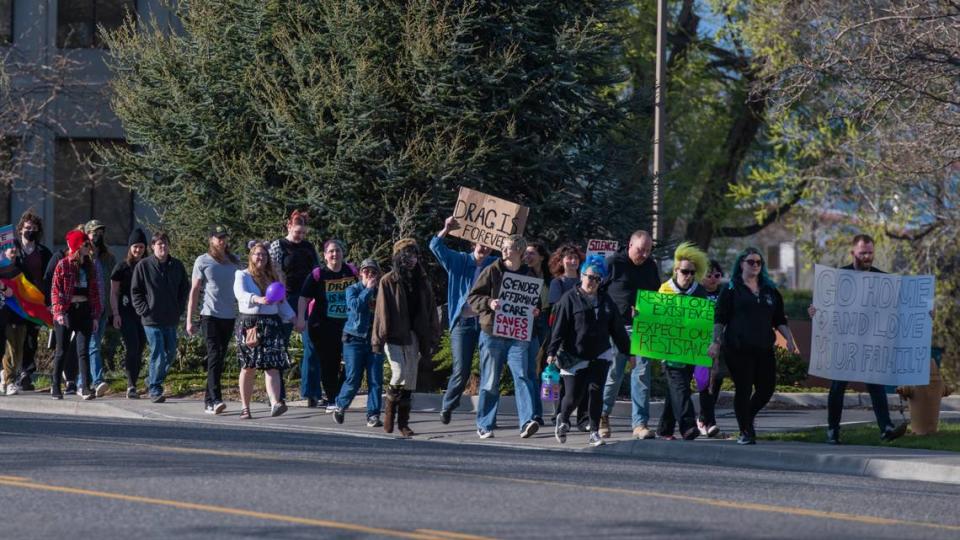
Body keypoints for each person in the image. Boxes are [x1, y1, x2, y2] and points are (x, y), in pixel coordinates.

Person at [808, 234, 908, 444]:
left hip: (870, 342)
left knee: (875, 384)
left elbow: (899, 309)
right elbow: (823, 305)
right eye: (863, 252)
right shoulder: (838, 276)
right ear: (853, 252)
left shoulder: (883, 279)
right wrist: (814, 311)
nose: (867, 256)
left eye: (870, 252)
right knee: (838, 386)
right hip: (844, 341)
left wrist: (924, 313)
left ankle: (886, 428)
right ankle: (833, 431)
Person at [708, 247, 799, 445]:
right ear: (741, 264)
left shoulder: (770, 290)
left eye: (759, 262)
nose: (755, 265)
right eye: (751, 262)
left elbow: (779, 318)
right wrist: (716, 341)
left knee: (767, 389)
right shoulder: (731, 288)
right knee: (743, 388)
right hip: (738, 348)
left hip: (764, 347)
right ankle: (746, 431)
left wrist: (789, 339)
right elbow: (720, 318)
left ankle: (746, 417)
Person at [546, 255, 630, 447]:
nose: (593, 282)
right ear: (582, 275)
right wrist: (551, 352)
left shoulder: (606, 300)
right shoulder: (568, 299)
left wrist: (628, 352)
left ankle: (594, 431)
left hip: (600, 352)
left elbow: (616, 328)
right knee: (573, 396)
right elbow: (558, 328)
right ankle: (563, 417)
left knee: (596, 391)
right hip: (573, 354)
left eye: (598, 278)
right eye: (590, 277)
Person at [467, 234, 541, 440]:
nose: (505, 251)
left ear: (519, 250)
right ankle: (484, 424)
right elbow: (473, 297)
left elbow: (536, 303)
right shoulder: (492, 270)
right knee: (490, 380)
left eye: (509, 248)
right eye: (504, 247)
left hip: (518, 333)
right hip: (492, 333)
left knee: (522, 376)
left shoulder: (530, 275)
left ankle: (527, 421)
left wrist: (536, 311)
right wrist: (489, 303)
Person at [431, 216, 496, 425]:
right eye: (481, 244)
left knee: (490, 370)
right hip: (463, 323)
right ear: (473, 243)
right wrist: (446, 228)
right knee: (461, 370)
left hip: (486, 322)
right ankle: (448, 405)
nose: (484, 248)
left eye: (488, 245)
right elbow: (435, 246)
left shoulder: (494, 264)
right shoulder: (459, 260)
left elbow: (514, 262)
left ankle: (487, 418)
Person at [372, 239, 440, 437]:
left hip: (414, 335)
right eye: (407, 255)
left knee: (410, 379)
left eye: (414, 255)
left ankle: (403, 423)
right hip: (394, 334)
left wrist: (433, 336)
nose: (411, 259)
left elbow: (430, 312)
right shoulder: (388, 280)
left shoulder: (422, 281)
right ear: (398, 257)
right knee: (399, 372)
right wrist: (378, 340)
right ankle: (389, 412)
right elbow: (381, 312)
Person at [600, 230, 661, 439]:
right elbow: (597, 292)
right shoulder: (613, 264)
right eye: (640, 250)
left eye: (647, 250)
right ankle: (602, 415)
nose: (643, 254)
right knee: (613, 373)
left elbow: (656, 295)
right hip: (616, 328)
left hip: (642, 328)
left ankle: (640, 424)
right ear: (629, 245)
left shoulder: (651, 267)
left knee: (642, 375)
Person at [234, 241, 296, 419]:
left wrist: (294, 319)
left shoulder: (273, 277)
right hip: (250, 324)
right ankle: (245, 407)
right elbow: (240, 294)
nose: (260, 257)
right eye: (257, 254)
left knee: (272, 366)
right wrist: (257, 299)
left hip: (271, 324)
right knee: (249, 366)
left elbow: (281, 301)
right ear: (251, 257)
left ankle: (275, 402)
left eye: (264, 254)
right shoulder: (242, 275)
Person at [655, 242, 709, 441]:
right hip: (669, 351)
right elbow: (656, 319)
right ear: (676, 270)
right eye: (685, 271)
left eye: (692, 272)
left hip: (691, 351)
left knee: (676, 389)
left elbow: (704, 323)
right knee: (681, 388)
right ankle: (688, 426)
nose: (688, 276)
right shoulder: (664, 290)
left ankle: (665, 429)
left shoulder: (699, 292)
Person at [297, 239, 356, 412]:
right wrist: (301, 318)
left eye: (337, 250)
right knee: (329, 364)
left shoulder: (351, 272)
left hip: (348, 326)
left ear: (342, 253)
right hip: (323, 326)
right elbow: (303, 297)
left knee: (353, 363)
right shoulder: (318, 274)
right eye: (331, 251)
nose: (334, 254)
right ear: (325, 255)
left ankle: (339, 394)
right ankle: (332, 399)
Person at [130, 231, 189, 403]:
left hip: (170, 318)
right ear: (153, 247)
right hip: (151, 319)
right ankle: (155, 389)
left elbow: (184, 289)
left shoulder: (177, 265)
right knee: (158, 353)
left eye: (165, 244)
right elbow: (136, 291)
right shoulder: (144, 266)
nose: (162, 247)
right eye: (159, 244)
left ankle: (151, 379)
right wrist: (144, 310)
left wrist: (178, 309)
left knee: (170, 353)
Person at [187, 225, 239, 415]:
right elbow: (194, 291)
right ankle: (215, 399)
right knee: (215, 355)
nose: (222, 241)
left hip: (229, 316)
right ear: (211, 240)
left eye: (224, 237)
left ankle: (209, 400)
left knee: (220, 357)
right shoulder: (203, 261)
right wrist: (190, 320)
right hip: (210, 315)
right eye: (218, 238)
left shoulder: (234, 261)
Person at [269, 210, 320, 406]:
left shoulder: (308, 247)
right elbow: (275, 270)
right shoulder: (278, 245)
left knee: (312, 345)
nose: (300, 236)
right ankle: (277, 393)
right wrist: (280, 298)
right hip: (285, 297)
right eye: (297, 231)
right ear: (289, 226)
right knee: (280, 344)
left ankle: (311, 391)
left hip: (307, 298)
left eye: (303, 232)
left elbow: (316, 271)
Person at [50, 230, 101, 400]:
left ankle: (85, 387)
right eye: (86, 244)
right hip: (66, 311)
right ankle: (55, 385)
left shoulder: (90, 266)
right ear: (77, 246)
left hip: (84, 310)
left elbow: (95, 293)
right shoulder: (63, 265)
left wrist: (95, 316)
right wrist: (59, 312)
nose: (89, 247)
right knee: (61, 350)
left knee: (83, 350)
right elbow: (55, 291)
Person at [333, 258, 384, 427]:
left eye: (373, 271)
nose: (369, 274)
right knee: (353, 378)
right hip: (354, 338)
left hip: (374, 339)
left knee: (375, 380)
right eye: (366, 271)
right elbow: (355, 306)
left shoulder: (381, 292)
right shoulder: (352, 289)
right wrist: (368, 290)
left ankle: (373, 415)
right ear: (360, 273)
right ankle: (341, 404)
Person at [546, 243, 587, 427]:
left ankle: (583, 417)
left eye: (576, 258)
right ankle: (559, 415)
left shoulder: (585, 281)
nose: (572, 261)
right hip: (563, 337)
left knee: (584, 379)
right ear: (561, 261)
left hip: (583, 337)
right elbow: (557, 305)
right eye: (569, 258)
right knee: (561, 379)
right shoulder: (557, 283)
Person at [13, 209, 52, 391]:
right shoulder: (11, 248)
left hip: (36, 300)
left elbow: (50, 277)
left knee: (31, 338)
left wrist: (49, 302)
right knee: (12, 338)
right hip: (13, 300)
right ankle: (10, 373)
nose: (31, 231)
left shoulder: (43, 252)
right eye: (28, 227)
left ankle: (26, 373)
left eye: (34, 228)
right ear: (21, 229)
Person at [111, 228, 148, 398]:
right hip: (126, 312)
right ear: (130, 247)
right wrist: (116, 313)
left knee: (140, 347)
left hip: (144, 314)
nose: (138, 250)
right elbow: (114, 292)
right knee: (132, 346)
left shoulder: (149, 266)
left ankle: (134, 381)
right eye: (135, 246)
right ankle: (131, 385)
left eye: (141, 247)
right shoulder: (122, 267)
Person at [82, 220, 116, 397]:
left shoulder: (108, 258)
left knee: (91, 345)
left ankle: (82, 380)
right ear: (86, 235)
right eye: (93, 233)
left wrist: (113, 310)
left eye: (99, 233)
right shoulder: (82, 256)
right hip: (87, 309)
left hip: (103, 309)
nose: (96, 236)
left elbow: (113, 284)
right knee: (93, 344)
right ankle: (97, 380)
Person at [697, 259, 727, 437]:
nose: (713, 279)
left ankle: (703, 418)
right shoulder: (696, 293)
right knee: (704, 382)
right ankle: (709, 421)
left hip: (720, 345)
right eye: (709, 275)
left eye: (717, 275)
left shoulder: (724, 293)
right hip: (699, 345)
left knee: (717, 382)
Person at [523, 240, 550, 426]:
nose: (528, 256)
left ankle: (553, 410)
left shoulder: (550, 276)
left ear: (541, 256)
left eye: (532, 253)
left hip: (547, 321)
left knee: (546, 366)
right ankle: (535, 413)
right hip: (530, 322)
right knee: (533, 367)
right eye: (526, 253)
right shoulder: (523, 274)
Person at [0, 243, 22, 394]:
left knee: (18, 349)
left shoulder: (21, 269)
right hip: (3, 314)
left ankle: (6, 376)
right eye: (10, 248)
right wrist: (3, 288)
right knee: (8, 349)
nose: (13, 250)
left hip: (19, 314)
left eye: (15, 248)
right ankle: (9, 381)